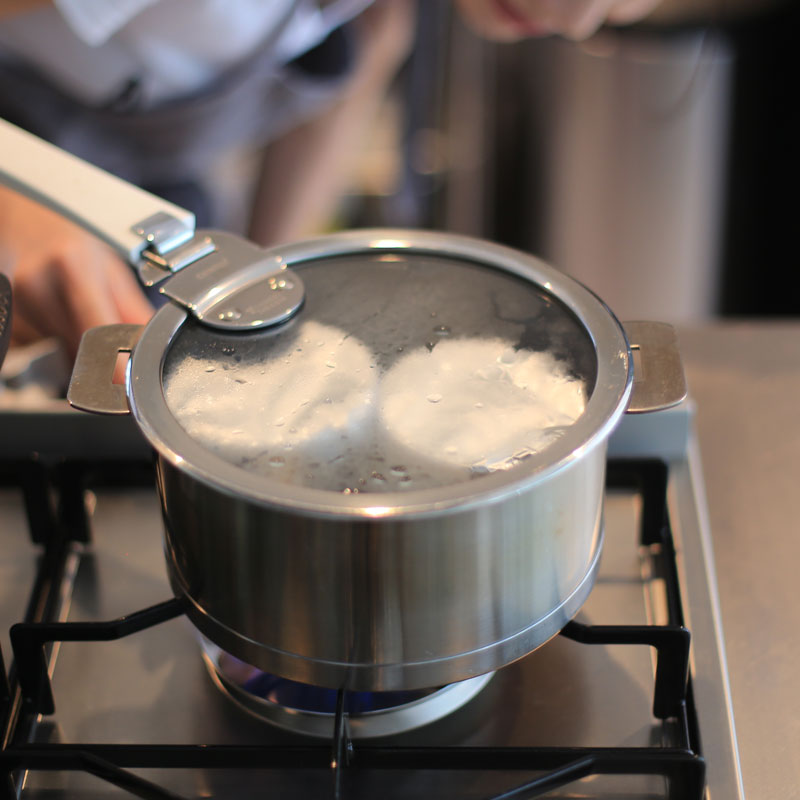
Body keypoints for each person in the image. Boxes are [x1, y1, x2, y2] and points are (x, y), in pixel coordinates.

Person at [0, 0, 777, 358]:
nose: (578, 19)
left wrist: (275, 287)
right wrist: (14, 212)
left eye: (629, 11)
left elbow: (370, 38)